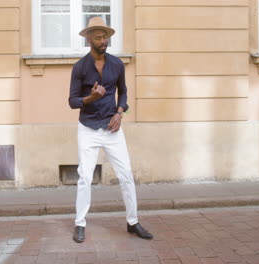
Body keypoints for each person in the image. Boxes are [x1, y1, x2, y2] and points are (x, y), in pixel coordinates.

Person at [68, 17, 153, 243]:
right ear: (88, 39)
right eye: (98, 37)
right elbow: (73, 101)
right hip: (88, 128)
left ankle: (133, 222)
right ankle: (80, 223)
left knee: (126, 175)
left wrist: (120, 112)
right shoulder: (80, 68)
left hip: (112, 128)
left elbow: (123, 92)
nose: (103, 40)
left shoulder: (116, 64)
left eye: (105, 36)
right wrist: (90, 97)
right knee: (85, 177)